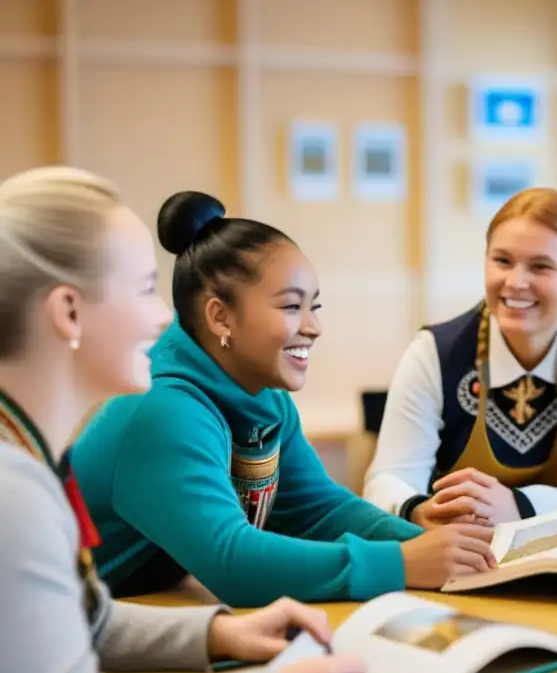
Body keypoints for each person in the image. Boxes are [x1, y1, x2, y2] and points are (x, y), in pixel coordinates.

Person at [0, 166, 366, 673]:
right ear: (68, 312)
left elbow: (79, 617)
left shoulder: (34, 458)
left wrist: (217, 633)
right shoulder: (11, 489)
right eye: (145, 290)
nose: (163, 318)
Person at [71, 190, 496, 608]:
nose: (313, 327)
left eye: (315, 306)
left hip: (121, 614)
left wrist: (432, 544)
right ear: (221, 316)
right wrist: (402, 562)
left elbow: (318, 510)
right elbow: (232, 562)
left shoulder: (263, 394)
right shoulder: (161, 411)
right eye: (292, 307)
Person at [362, 187, 557, 528]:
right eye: (502, 261)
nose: (515, 282)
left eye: (540, 267)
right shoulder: (433, 352)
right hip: (458, 554)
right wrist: (420, 509)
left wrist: (519, 505)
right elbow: (389, 479)